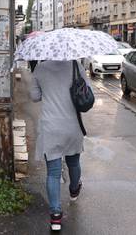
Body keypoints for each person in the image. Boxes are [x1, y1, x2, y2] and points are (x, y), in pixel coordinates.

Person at [30, 60, 89, 231]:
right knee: (73, 162)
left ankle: (55, 216)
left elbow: (34, 97)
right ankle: (73, 189)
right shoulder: (75, 66)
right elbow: (88, 91)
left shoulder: (40, 68)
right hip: (72, 125)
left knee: (53, 173)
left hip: (51, 127)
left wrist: (47, 90)